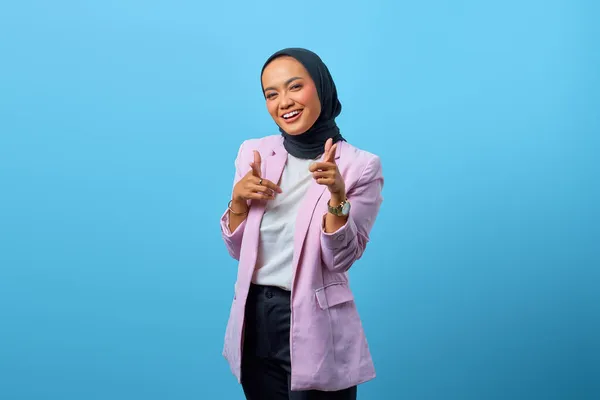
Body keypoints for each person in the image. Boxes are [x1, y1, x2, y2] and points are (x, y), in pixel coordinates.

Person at [219, 48, 384, 400]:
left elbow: (342, 259)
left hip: (315, 322)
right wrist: (237, 202)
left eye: (295, 87)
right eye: (271, 94)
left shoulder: (360, 166)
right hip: (255, 317)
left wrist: (338, 199)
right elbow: (238, 251)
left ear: (320, 88)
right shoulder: (254, 153)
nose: (284, 102)